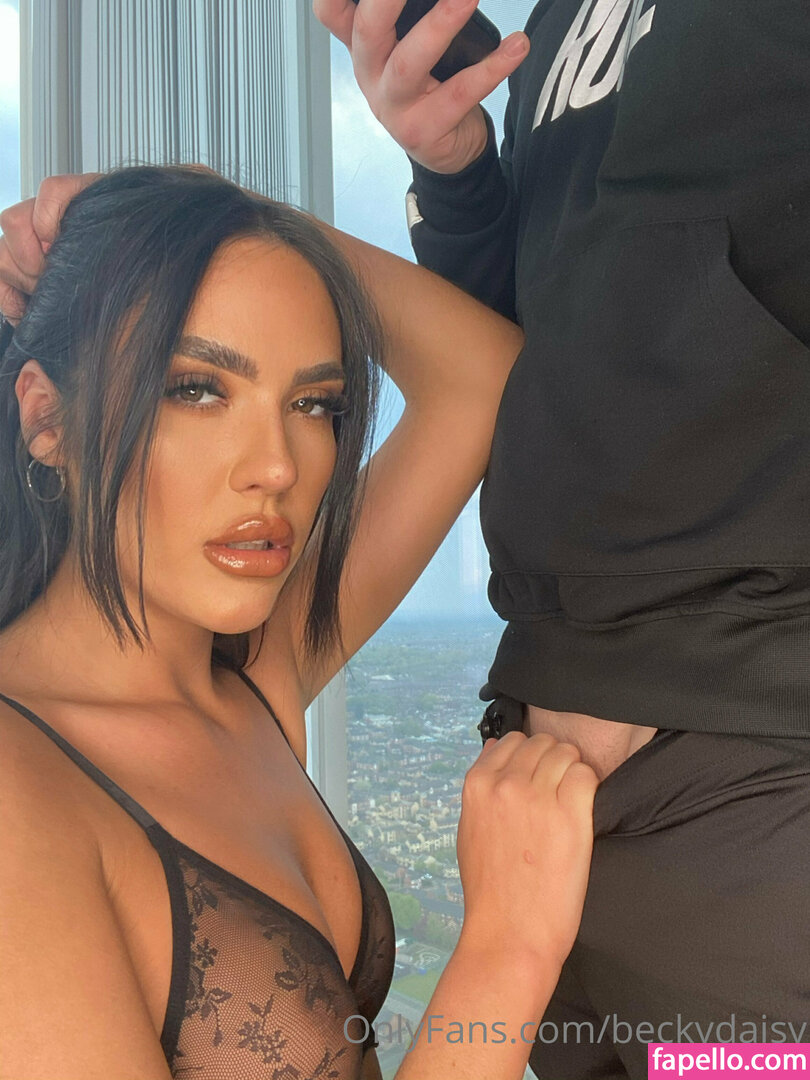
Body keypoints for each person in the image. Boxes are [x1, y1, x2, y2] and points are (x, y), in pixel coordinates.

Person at [0, 164, 598, 1080]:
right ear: (48, 419)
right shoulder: (17, 792)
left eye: (315, 404)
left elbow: (480, 376)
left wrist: (222, 206)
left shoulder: (251, 678)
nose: (277, 466)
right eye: (197, 388)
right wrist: (508, 952)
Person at [312, 1, 810, 1077]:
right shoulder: (556, 25)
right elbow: (524, 357)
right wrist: (458, 176)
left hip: (750, 806)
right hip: (540, 801)